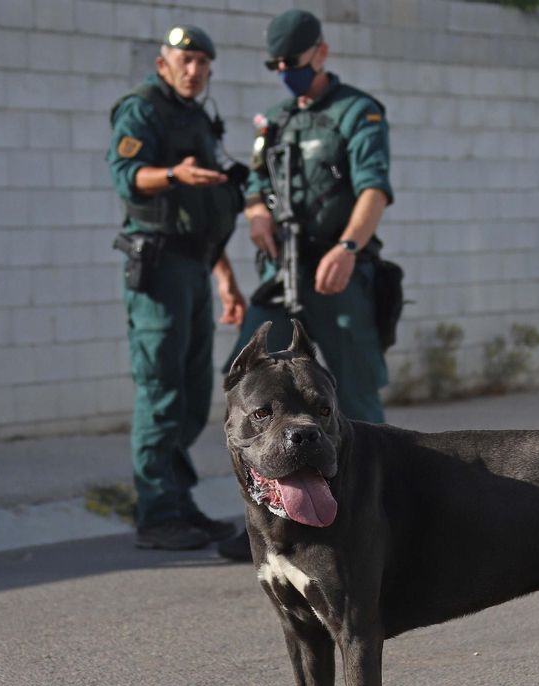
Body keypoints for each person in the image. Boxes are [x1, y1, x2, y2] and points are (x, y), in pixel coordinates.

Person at [216, 9, 396, 563]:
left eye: (291, 62)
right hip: (281, 275)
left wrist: (348, 247)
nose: (284, 72)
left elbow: (374, 190)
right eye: (275, 65)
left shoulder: (356, 112)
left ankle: (374, 515)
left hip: (335, 271)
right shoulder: (271, 121)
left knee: (353, 397)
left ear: (320, 53)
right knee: (252, 395)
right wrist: (254, 215)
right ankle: (270, 513)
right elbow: (253, 181)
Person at [107, 25, 249, 550]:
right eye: (185, 60)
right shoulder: (141, 109)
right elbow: (126, 173)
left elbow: (207, 219)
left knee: (191, 395)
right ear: (164, 62)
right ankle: (156, 510)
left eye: (202, 63)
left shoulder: (197, 118)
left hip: (195, 264)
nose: (194, 70)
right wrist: (173, 175)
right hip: (159, 267)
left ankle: (179, 500)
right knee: (161, 390)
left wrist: (226, 280)